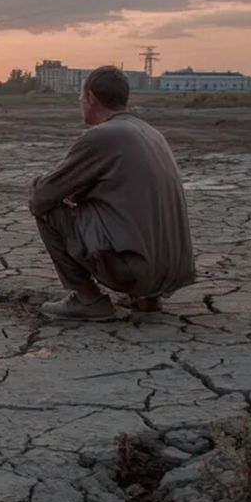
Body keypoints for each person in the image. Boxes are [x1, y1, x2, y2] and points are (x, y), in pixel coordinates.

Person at [28, 65, 195, 319]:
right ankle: (147, 299)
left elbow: (42, 197)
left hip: (134, 270)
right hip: (171, 272)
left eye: (81, 97)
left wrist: (45, 188)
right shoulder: (152, 133)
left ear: (91, 98)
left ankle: (88, 299)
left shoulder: (101, 136)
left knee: (45, 207)